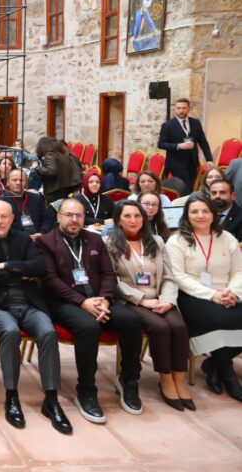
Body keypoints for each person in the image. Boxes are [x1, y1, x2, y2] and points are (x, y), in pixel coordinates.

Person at [37, 199, 144, 423]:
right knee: (89, 327)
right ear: (59, 216)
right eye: (69, 215)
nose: (74, 219)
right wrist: (82, 302)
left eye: (79, 215)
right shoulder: (46, 242)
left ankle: (128, 380)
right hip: (64, 302)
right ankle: (86, 390)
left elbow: (108, 273)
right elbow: (50, 281)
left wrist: (105, 299)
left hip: (99, 300)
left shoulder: (94, 239)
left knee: (131, 320)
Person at [0, 201, 72, 433]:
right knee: (10, 331)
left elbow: (38, 267)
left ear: (12, 219)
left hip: (29, 303)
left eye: (4, 216)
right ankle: (12, 396)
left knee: (48, 332)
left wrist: (6, 265)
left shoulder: (24, 239)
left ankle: (51, 399)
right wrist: (21, 272)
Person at [105, 200, 192, 410]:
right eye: (127, 216)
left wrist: (167, 300)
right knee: (160, 327)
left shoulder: (157, 241)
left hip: (161, 298)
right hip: (133, 300)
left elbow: (169, 276)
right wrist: (142, 300)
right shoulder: (110, 244)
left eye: (137, 216)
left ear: (144, 218)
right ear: (118, 220)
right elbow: (113, 281)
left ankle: (179, 379)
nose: (133, 220)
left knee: (179, 327)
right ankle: (165, 379)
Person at [166, 195, 242, 402]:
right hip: (193, 295)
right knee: (216, 320)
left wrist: (233, 292)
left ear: (213, 214)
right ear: (186, 215)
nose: (200, 215)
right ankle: (228, 374)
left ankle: (215, 365)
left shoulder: (226, 238)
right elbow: (178, 276)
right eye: (194, 211)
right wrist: (212, 295)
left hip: (227, 292)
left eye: (205, 211)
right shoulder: (177, 240)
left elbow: (239, 271)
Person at [158, 98, 213, 195]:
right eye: (178, 108)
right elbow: (161, 144)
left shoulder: (196, 123)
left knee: (190, 187)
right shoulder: (168, 125)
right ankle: (185, 202)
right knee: (185, 188)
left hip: (193, 162)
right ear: (175, 109)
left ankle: (187, 202)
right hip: (176, 164)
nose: (181, 110)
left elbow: (203, 142)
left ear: (188, 108)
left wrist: (209, 159)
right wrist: (179, 146)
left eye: (184, 108)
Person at [0, 169, 53, 237]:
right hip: (14, 239)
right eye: (14, 180)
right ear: (8, 182)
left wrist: (42, 233)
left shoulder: (36, 198)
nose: (18, 183)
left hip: (37, 237)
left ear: (26, 183)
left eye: (21, 180)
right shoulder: (2, 201)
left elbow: (47, 219)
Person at [35, 137, 82, 203]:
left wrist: (37, 167)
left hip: (55, 192)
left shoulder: (50, 155)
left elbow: (51, 171)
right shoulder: (61, 155)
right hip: (66, 189)